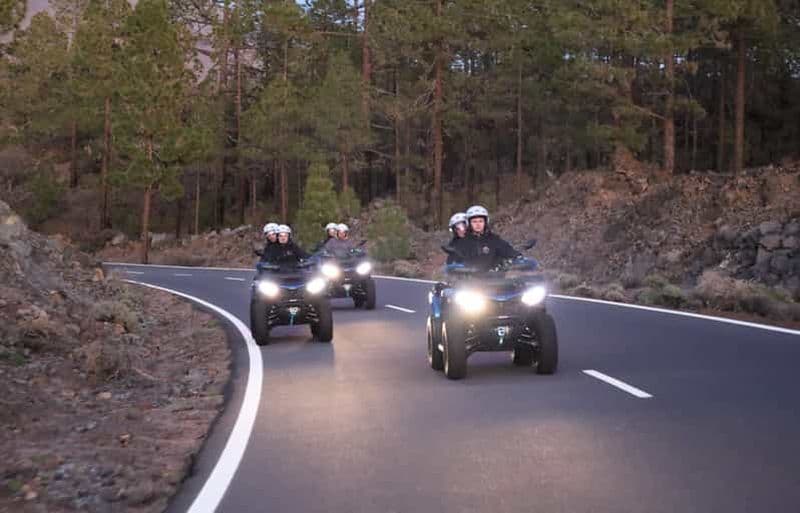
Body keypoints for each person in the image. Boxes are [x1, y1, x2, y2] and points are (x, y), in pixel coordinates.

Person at [461, 205, 520, 270]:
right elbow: (455, 262)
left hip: (496, 277)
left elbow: (509, 251)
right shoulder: (463, 242)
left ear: (486, 222)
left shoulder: (494, 239)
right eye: (474, 221)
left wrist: (518, 257)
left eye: (481, 221)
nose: (478, 224)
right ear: (468, 223)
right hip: (470, 277)